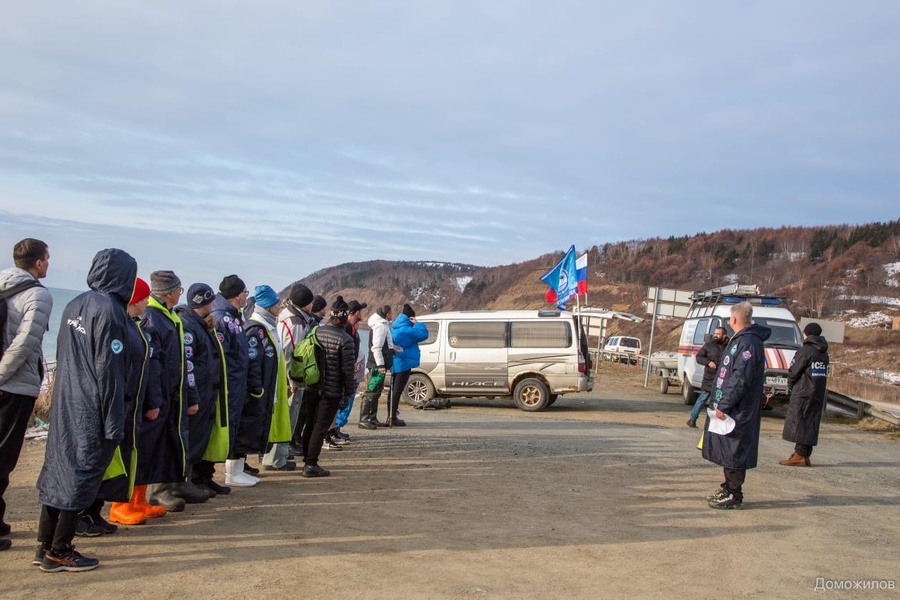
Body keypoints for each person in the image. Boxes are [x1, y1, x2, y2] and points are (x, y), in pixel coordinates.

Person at [35, 248, 136, 572]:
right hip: (93, 408)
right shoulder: (111, 312)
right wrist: (113, 420)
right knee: (81, 478)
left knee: (59, 472)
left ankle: (44, 545)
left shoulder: (74, 304)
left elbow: (66, 356)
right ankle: (60, 550)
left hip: (67, 403)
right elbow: (109, 369)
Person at [0, 238, 52, 552]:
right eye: (47, 258)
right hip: (14, 386)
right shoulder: (37, 295)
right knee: (4, 458)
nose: (48, 263)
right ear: (38, 263)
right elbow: (25, 343)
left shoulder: (3, 284)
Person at [141, 271, 206, 510]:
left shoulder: (169, 316)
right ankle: (158, 489)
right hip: (163, 390)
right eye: (179, 289)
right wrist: (154, 398)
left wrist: (190, 394)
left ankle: (178, 480)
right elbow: (153, 361)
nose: (181, 293)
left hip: (176, 389)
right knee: (160, 440)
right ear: (169, 292)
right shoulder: (152, 317)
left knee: (178, 437)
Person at [702, 301, 770, 510]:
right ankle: (728, 487)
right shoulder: (740, 340)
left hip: (739, 408)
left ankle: (734, 492)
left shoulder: (748, 342)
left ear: (733, 320)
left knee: (735, 449)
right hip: (732, 404)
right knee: (727, 447)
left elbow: (741, 378)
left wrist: (725, 403)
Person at [106, 278, 153, 526]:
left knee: (139, 450)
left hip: (138, 399)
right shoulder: (121, 326)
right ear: (134, 300)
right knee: (122, 451)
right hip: (124, 401)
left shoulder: (136, 325)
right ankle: (119, 504)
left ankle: (137, 500)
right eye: (144, 298)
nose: (147, 302)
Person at [176, 283, 231, 494]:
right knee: (193, 436)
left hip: (208, 390)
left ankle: (202, 477)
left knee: (204, 435)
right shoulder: (189, 325)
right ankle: (188, 480)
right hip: (198, 390)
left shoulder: (203, 323)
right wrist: (192, 396)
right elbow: (188, 363)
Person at [300, 297, 355, 477]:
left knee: (310, 423)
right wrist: (349, 391)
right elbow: (347, 370)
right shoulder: (346, 340)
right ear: (345, 317)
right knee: (321, 426)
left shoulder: (316, 332)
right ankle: (311, 464)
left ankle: (306, 457)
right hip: (331, 390)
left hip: (312, 385)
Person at [211, 275, 257, 487]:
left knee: (236, 425)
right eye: (245, 293)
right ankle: (229, 472)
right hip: (229, 383)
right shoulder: (222, 318)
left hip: (238, 382)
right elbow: (224, 356)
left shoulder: (234, 316)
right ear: (238, 295)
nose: (246, 297)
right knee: (227, 426)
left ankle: (236, 469)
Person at [243, 285, 292, 472]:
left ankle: (245, 462)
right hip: (260, 388)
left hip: (270, 386)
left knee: (263, 423)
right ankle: (239, 464)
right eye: (276, 303)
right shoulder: (257, 329)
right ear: (268, 306)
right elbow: (253, 361)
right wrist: (258, 388)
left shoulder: (268, 326)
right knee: (251, 425)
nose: (279, 306)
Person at [275, 283, 316, 463]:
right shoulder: (296, 323)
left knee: (288, 413)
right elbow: (293, 353)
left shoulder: (288, 316)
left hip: (288, 375)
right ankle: (282, 449)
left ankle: (282, 448)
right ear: (305, 303)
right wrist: (293, 380)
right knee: (289, 413)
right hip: (292, 377)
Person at [779, 322, 829, 467]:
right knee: (810, 422)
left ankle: (799, 455)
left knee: (799, 422)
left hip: (803, 391)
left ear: (806, 334)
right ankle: (805, 454)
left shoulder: (805, 351)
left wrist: (790, 386)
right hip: (818, 392)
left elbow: (794, 371)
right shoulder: (824, 353)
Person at [327, 298, 367, 444]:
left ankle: (335, 430)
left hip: (351, 368)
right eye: (358, 311)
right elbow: (343, 350)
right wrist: (350, 365)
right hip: (344, 371)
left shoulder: (352, 328)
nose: (360, 314)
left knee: (343, 402)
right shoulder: (346, 329)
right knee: (339, 402)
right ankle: (332, 431)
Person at [388, 303, 428, 427]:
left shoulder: (394, 327)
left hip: (395, 361)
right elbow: (423, 335)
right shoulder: (408, 330)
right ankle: (392, 417)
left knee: (393, 389)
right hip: (404, 362)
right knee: (397, 390)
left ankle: (391, 414)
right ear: (410, 317)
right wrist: (417, 323)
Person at [358, 305, 396, 430]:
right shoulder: (380, 326)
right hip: (376, 365)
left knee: (377, 392)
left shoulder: (383, 325)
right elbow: (376, 347)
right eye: (391, 313)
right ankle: (365, 419)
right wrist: (380, 365)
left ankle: (372, 417)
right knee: (372, 391)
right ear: (387, 314)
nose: (392, 315)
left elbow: (384, 345)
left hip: (380, 363)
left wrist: (392, 351)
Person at [687, 327, 728, 428]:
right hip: (709, 377)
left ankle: (717, 423)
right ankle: (692, 419)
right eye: (715, 333)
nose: (715, 335)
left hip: (723, 378)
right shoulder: (709, 345)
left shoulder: (729, 346)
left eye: (718, 334)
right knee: (703, 398)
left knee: (720, 401)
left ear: (724, 336)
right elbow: (699, 357)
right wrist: (708, 362)